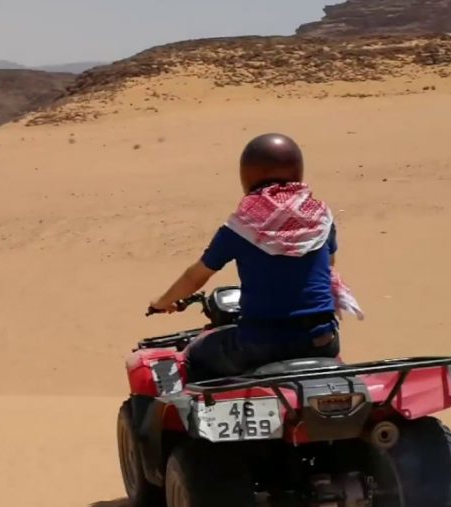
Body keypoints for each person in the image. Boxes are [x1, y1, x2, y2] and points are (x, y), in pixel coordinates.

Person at [148, 133, 364, 381]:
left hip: (260, 346)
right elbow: (329, 270)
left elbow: (196, 277)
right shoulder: (322, 219)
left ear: (247, 174)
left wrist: (162, 302)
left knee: (193, 356)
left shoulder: (243, 225)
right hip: (323, 342)